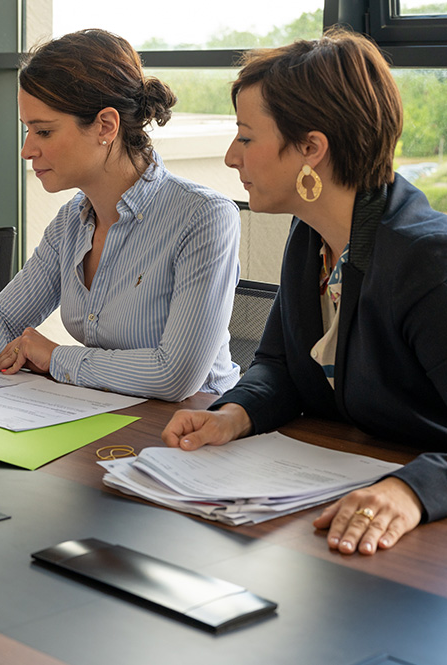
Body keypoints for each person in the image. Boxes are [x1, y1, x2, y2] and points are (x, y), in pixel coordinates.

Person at [162, 29, 447, 556]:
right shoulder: (311, 234)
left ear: (312, 149)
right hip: (339, 504)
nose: (230, 157)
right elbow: (279, 366)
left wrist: (411, 491)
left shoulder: (428, 261)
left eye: (246, 138)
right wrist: (235, 414)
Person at [0, 30, 240, 401]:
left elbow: (175, 375)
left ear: (105, 126)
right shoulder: (70, 223)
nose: (27, 150)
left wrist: (55, 357)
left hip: (197, 431)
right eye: (27, 130)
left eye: (43, 131)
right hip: (106, 418)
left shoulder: (204, 218)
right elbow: (3, 317)